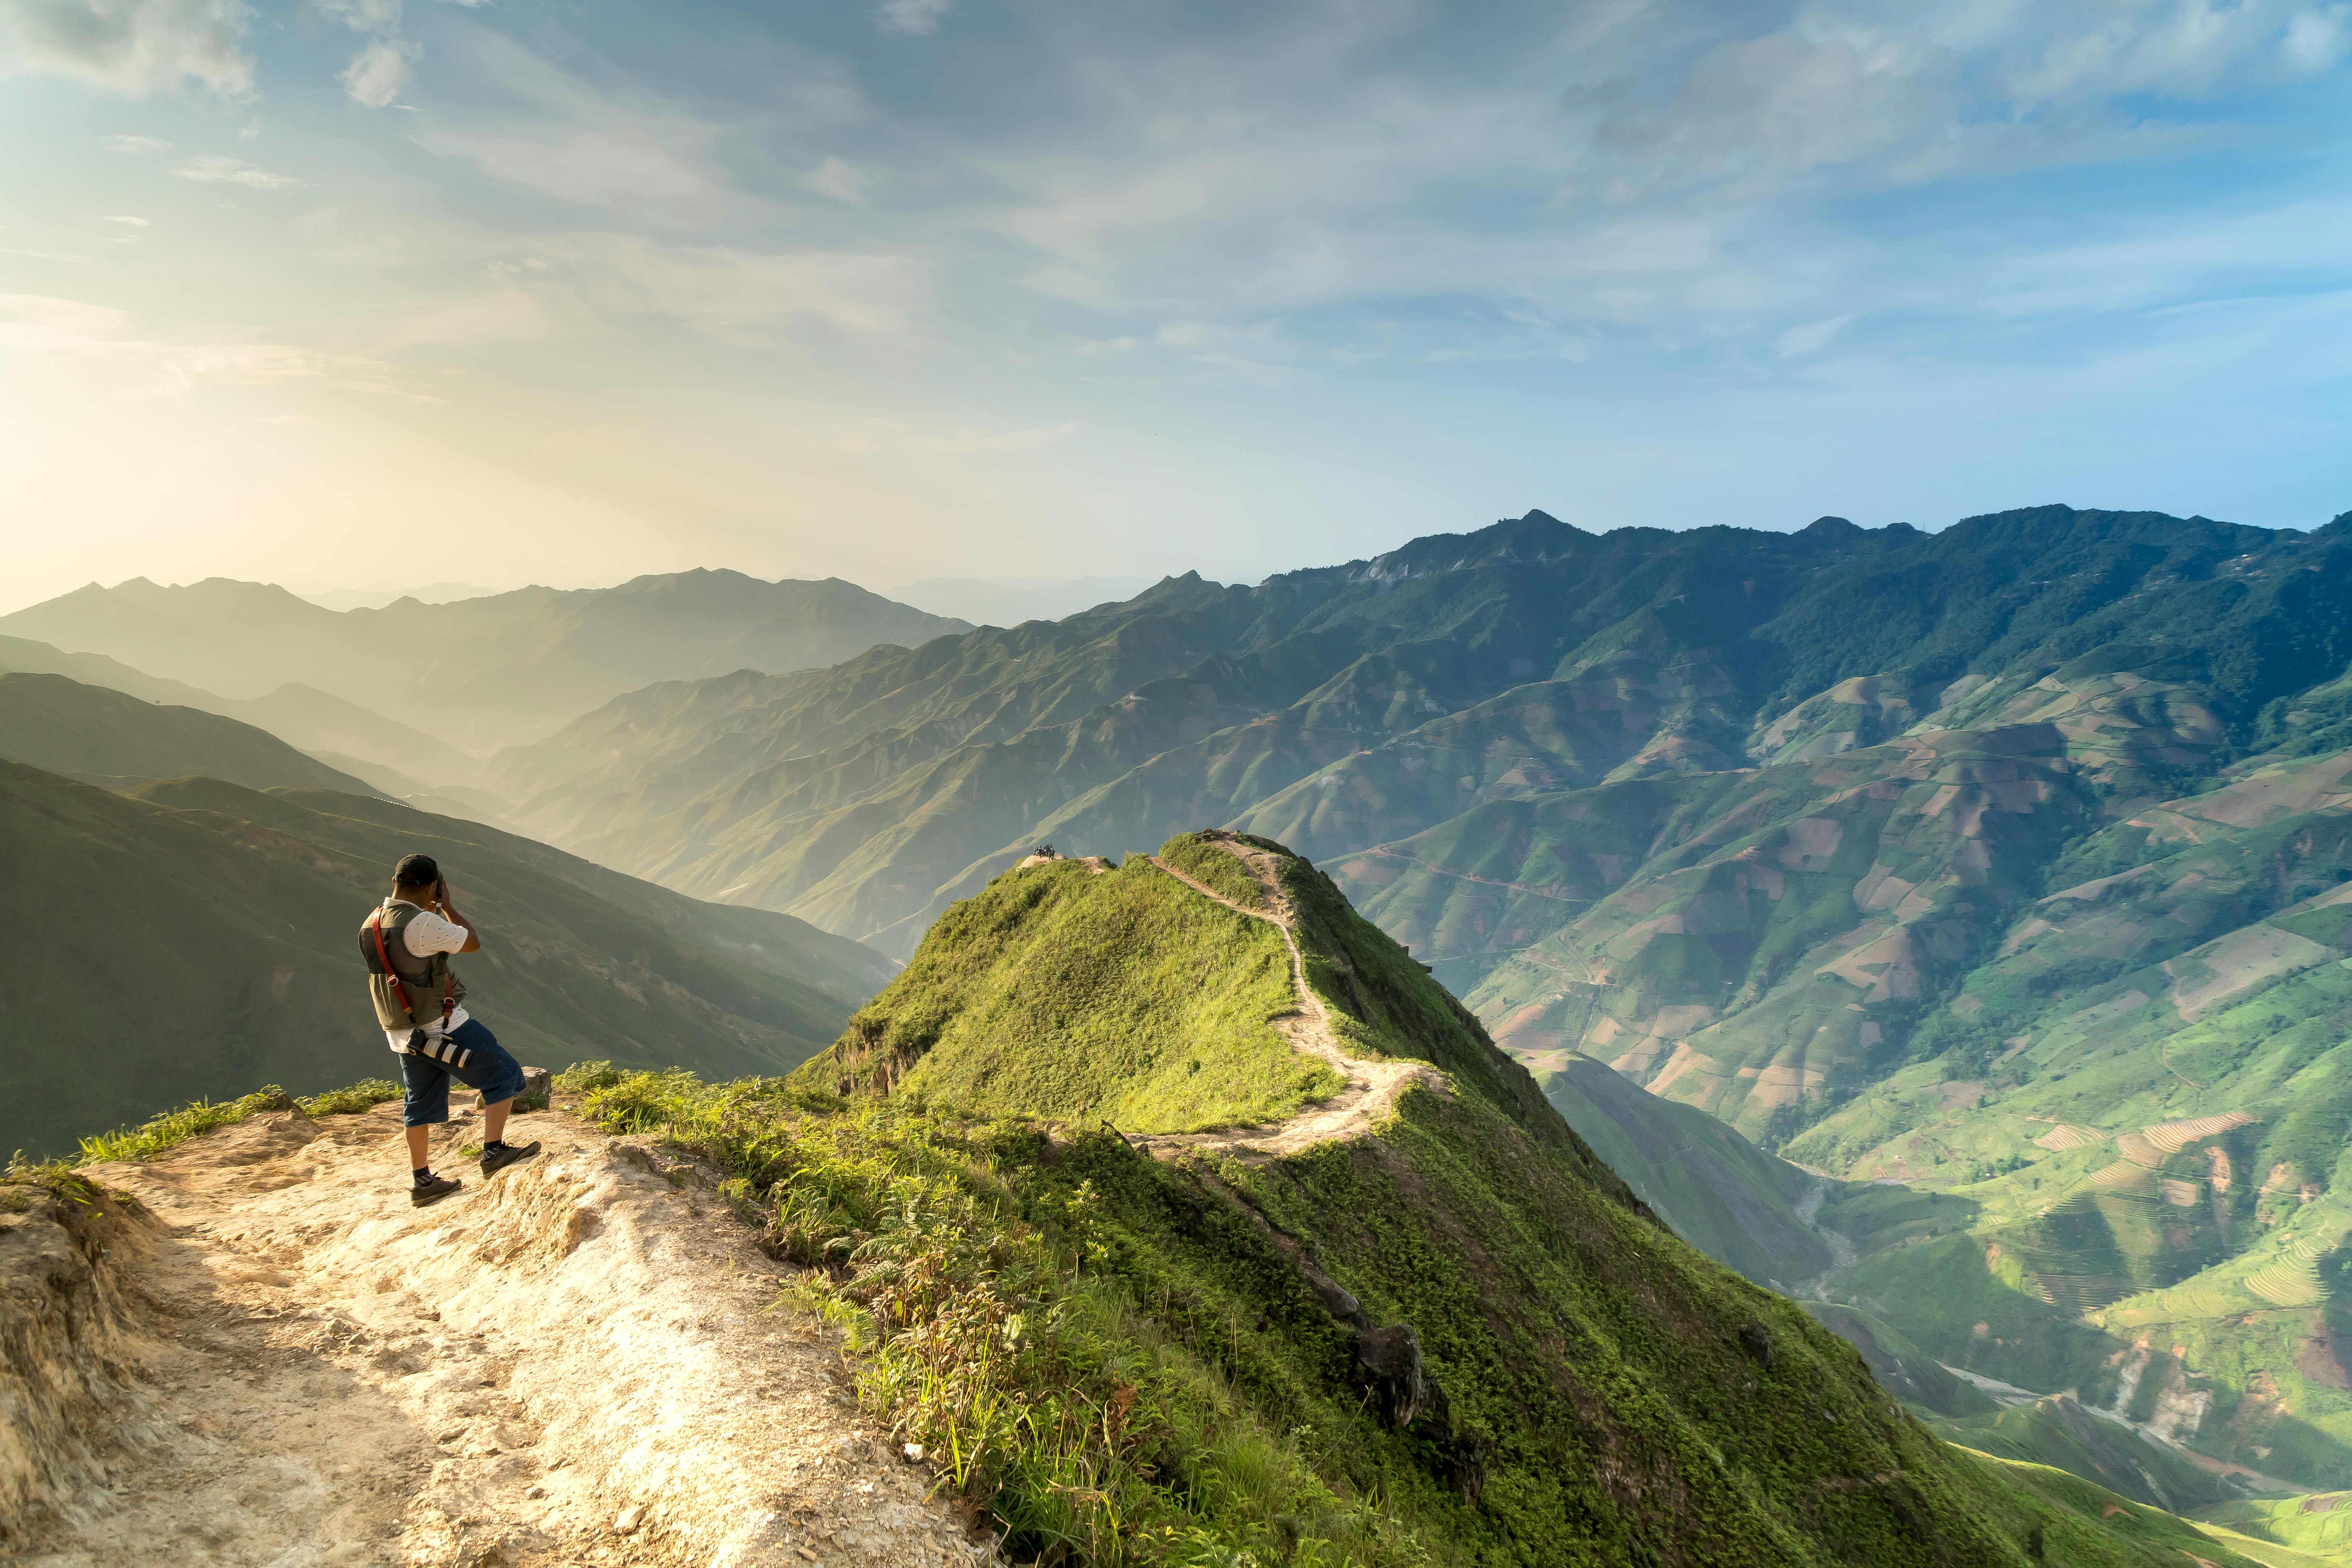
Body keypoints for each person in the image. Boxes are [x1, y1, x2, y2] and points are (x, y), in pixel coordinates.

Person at [359, 853, 539, 1206]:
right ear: (432, 887)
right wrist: (447, 907)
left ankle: (422, 1182)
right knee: (505, 1075)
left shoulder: (372, 923)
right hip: (443, 1025)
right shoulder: (421, 924)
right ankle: (493, 1152)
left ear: (395, 882)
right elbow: (471, 941)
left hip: (404, 1033)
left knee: (419, 1104)